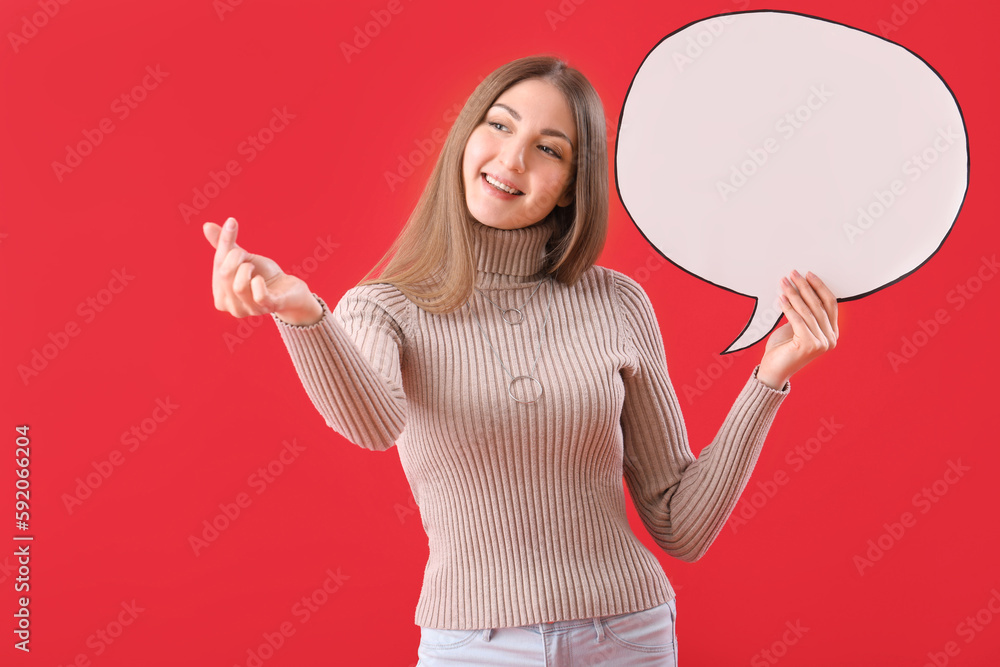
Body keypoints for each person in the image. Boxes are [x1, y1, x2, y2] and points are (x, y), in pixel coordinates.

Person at [202, 55, 838, 666]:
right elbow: (374, 425)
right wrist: (305, 315)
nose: (512, 157)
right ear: (466, 137)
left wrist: (768, 379)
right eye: (499, 125)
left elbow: (680, 524)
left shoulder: (616, 301)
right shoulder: (383, 307)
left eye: (549, 147)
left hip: (627, 636)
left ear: (568, 188)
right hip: (476, 645)